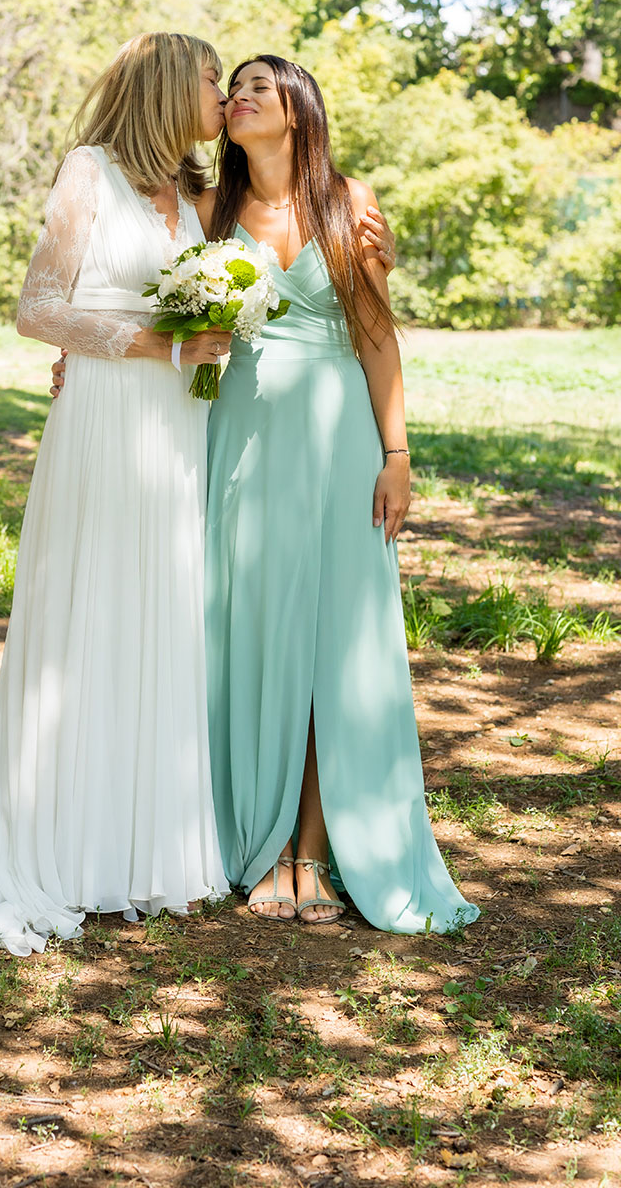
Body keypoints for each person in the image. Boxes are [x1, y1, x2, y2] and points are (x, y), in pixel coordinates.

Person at [0, 32, 232, 955]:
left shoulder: (195, 193)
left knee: (159, 618)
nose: (221, 90)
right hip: (108, 419)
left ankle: (141, 851)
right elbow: (37, 307)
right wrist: (154, 345)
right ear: (165, 85)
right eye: (208, 76)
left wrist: (216, 335)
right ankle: (65, 845)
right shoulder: (91, 172)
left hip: (176, 429)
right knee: (93, 615)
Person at [196, 56, 479, 930]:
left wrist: (397, 454)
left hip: (336, 444)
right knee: (247, 631)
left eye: (255, 88)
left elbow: (377, 339)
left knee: (330, 643)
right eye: (231, 88)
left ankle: (311, 850)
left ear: (296, 110)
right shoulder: (210, 209)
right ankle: (256, 837)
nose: (237, 98)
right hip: (236, 437)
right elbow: (181, 329)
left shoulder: (346, 205)